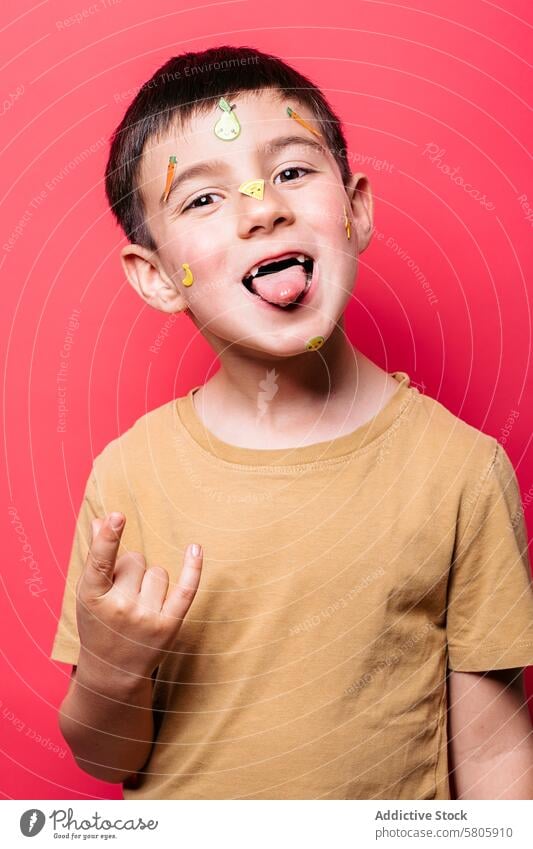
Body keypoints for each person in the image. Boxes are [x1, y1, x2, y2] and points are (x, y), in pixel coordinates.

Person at [50, 45, 533, 800]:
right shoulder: (128, 475)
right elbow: (105, 756)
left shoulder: (461, 468)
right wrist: (111, 668)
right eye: (202, 199)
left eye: (292, 172)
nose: (261, 207)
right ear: (153, 276)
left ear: (356, 209)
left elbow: (498, 753)